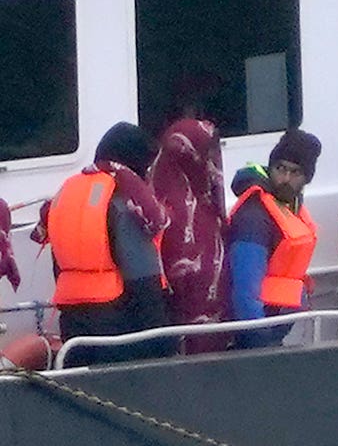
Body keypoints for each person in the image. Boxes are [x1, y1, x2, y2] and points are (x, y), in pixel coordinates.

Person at [35, 122, 172, 365]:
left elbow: (58, 265)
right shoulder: (123, 197)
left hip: (72, 324)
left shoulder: (66, 192)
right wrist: (163, 340)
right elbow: (142, 277)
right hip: (118, 327)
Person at [226, 128, 321, 349]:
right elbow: (245, 293)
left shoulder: (289, 206)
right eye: (280, 169)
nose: (285, 179)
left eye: (295, 172)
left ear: (307, 178)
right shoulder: (255, 216)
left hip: (276, 327)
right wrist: (261, 345)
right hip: (256, 339)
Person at [151, 116, 229, 353]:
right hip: (198, 331)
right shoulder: (188, 212)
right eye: (208, 154)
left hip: (175, 327)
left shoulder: (155, 199)